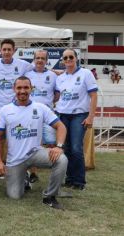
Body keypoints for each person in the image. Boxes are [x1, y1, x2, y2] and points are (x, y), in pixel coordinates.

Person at [0, 76, 68, 210]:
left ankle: (49, 196)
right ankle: (25, 179)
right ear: (14, 89)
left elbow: (61, 126)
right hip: (15, 160)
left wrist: (59, 146)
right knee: (14, 196)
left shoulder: (40, 108)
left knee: (61, 159)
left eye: (26, 87)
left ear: (31, 88)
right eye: (19, 88)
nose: (22, 91)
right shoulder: (5, 110)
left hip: (35, 153)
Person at [55, 48, 98, 190]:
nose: (68, 60)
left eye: (70, 57)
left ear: (76, 58)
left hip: (79, 115)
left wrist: (91, 116)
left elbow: (93, 96)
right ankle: (70, 178)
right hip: (63, 115)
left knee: (76, 148)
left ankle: (79, 181)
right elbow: (57, 96)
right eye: (65, 58)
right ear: (62, 60)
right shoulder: (60, 77)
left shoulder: (86, 73)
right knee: (66, 149)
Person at [25, 49, 58, 183]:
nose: (39, 60)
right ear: (34, 59)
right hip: (30, 116)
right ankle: (33, 173)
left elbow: (57, 94)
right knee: (32, 145)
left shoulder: (53, 75)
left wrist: (47, 105)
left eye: (42, 58)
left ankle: (55, 174)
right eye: (37, 58)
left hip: (47, 116)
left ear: (46, 60)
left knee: (51, 144)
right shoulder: (27, 74)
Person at [0, 38, 33, 121]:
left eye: (9, 49)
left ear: (14, 51)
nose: (7, 52)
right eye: (4, 49)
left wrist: (55, 72)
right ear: (0, 50)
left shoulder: (23, 64)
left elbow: (38, 70)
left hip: (16, 107)